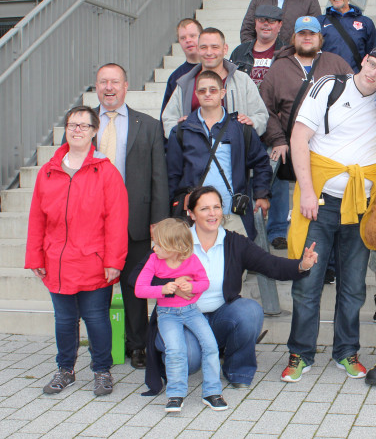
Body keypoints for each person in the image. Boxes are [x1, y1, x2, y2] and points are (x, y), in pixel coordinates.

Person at [281, 44, 376, 382]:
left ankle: (346, 352)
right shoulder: (330, 85)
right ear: (365, 60)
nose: (374, 74)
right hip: (320, 200)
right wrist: (306, 191)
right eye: (373, 65)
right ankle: (300, 353)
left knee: (354, 287)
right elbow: (299, 137)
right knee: (308, 281)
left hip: (360, 206)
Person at [141, 186, 319, 393]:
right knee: (190, 361)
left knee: (249, 310)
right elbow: (138, 278)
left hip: (220, 315)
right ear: (190, 213)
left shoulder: (234, 242)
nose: (212, 213)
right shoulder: (175, 241)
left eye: (216, 207)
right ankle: (183, 354)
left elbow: (271, 265)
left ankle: (237, 369)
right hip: (181, 316)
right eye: (204, 208)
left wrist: (302, 265)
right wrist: (169, 288)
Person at [26, 106, 128, 397]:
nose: (78, 130)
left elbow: (117, 220)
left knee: (96, 318)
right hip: (57, 260)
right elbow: (37, 218)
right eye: (73, 125)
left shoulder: (106, 171)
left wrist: (114, 261)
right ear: (66, 130)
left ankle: (101, 370)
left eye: (84, 126)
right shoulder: (48, 172)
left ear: (95, 131)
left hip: (93, 261)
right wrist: (35, 256)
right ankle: (65, 370)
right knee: (65, 320)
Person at [95, 63, 169, 370]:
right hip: (94, 221)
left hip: (135, 220)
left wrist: (159, 221)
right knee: (94, 286)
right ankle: (103, 344)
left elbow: (159, 177)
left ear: (126, 86)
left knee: (135, 285)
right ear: (96, 86)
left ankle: (138, 345)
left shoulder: (148, 125)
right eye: (103, 82)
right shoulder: (83, 123)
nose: (109, 87)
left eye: (115, 82)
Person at [258, 16, 352, 250]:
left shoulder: (336, 63)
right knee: (285, 180)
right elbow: (265, 107)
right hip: (291, 143)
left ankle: (329, 251)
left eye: (312, 34)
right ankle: (287, 238)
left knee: (327, 202)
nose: (307, 38)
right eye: (302, 34)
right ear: (294, 38)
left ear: (320, 38)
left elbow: (354, 99)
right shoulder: (280, 67)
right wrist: (278, 140)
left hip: (331, 148)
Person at [135, 219, 227, 413]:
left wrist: (192, 286)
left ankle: (212, 392)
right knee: (175, 351)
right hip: (167, 314)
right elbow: (139, 289)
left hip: (191, 311)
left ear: (175, 246)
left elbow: (204, 282)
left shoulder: (192, 260)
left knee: (210, 346)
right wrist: (164, 289)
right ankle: (175, 395)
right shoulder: (154, 260)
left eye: (159, 244)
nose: (154, 247)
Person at [167, 71, 272, 239]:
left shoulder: (241, 128)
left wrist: (261, 194)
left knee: (237, 264)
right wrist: (174, 206)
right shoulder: (181, 130)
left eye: (213, 90)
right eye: (202, 91)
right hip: (195, 217)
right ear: (196, 94)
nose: (207, 94)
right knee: (195, 265)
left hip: (233, 214)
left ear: (222, 93)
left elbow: (261, 162)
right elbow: (172, 174)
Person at [162, 27, 268, 139]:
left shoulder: (242, 81)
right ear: (198, 49)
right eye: (204, 47)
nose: (209, 52)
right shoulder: (186, 83)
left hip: (235, 152)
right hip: (195, 152)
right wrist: (179, 131)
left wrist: (252, 123)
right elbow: (168, 119)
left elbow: (261, 116)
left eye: (215, 47)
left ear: (225, 49)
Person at [318, 0, 376, 71]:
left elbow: (372, 56)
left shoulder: (366, 23)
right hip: (328, 81)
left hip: (356, 81)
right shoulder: (319, 22)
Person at [229, 5, 285, 87]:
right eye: (261, 20)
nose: (266, 24)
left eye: (271, 21)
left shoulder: (287, 52)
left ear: (280, 25)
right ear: (255, 22)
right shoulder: (239, 52)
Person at [161, 19, 203, 116]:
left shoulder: (217, 68)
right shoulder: (176, 77)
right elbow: (167, 115)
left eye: (192, 36)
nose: (188, 40)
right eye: (183, 38)